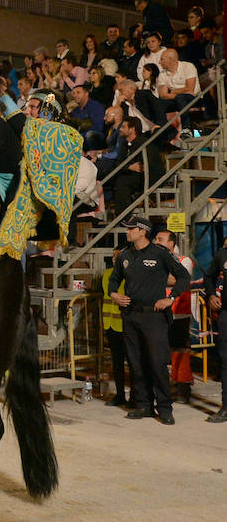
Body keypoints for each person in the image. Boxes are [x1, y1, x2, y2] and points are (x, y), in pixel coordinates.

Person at [108, 215, 190, 425]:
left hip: (154, 316)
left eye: (130, 229)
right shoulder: (125, 255)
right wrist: (114, 294)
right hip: (131, 315)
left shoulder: (160, 253)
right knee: (136, 362)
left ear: (142, 231)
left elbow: (183, 277)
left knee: (156, 363)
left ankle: (164, 408)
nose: (127, 232)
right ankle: (144, 405)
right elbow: (114, 279)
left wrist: (170, 299)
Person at [152, 230, 195, 404]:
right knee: (159, 351)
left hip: (179, 313)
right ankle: (162, 386)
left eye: (159, 239)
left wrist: (157, 275)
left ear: (171, 243)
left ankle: (183, 385)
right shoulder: (155, 259)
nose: (155, 241)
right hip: (159, 312)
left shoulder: (185, 261)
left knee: (180, 350)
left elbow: (177, 280)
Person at [101, 248, 135, 407]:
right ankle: (120, 395)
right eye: (113, 256)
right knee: (117, 362)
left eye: (118, 256)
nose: (115, 259)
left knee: (133, 362)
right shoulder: (107, 274)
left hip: (126, 325)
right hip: (111, 324)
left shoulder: (131, 275)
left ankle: (135, 397)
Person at [111, 117, 163, 216]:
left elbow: (146, 166)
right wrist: (129, 167)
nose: (120, 129)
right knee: (115, 177)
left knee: (122, 181)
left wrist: (129, 167)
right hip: (133, 176)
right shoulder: (125, 145)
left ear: (132, 129)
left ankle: (124, 217)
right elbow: (118, 164)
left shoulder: (145, 144)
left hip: (148, 178)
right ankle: (122, 215)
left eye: (123, 127)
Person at [203, 243, 227, 422]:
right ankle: (226, 407)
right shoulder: (222, 255)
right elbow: (208, 276)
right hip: (226, 313)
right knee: (226, 360)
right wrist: (211, 294)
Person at [157, 48, 200, 131]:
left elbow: (190, 89)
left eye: (162, 59)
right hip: (174, 99)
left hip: (193, 98)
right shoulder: (162, 74)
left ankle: (186, 128)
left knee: (180, 98)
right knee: (159, 103)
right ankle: (163, 130)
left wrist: (172, 91)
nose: (159, 62)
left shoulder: (188, 66)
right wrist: (179, 92)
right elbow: (163, 95)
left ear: (170, 59)